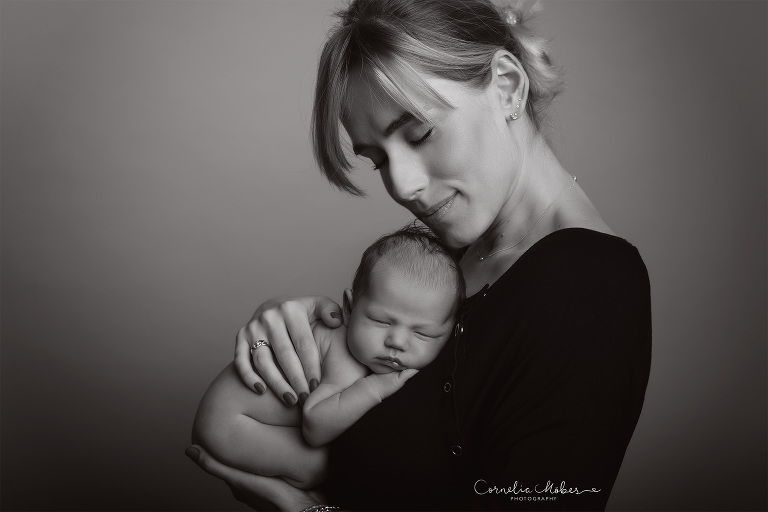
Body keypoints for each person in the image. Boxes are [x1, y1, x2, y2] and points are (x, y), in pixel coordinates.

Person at [186, 0, 652, 510]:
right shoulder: (450, 256)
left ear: (507, 86)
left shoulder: (592, 287)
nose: (402, 186)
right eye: (377, 160)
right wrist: (291, 331)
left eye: (420, 133)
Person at [191, 226, 464, 488]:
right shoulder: (345, 356)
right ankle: (279, 493)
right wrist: (374, 388)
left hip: (233, 415)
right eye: (381, 321)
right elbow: (315, 427)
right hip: (227, 422)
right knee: (320, 464)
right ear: (349, 308)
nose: (397, 342)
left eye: (423, 334)